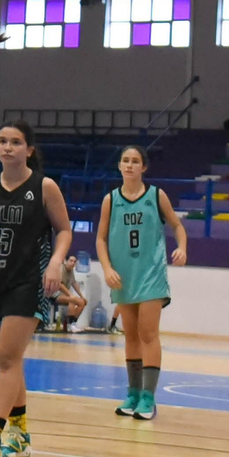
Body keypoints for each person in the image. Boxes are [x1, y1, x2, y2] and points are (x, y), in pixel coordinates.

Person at [0, 121, 73, 457]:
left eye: (15, 142)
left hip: (30, 279)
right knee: (6, 360)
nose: (7, 147)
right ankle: (20, 431)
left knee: (8, 358)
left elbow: (64, 229)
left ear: (29, 150)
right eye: (2, 141)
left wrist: (56, 262)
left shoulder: (44, 186)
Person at [96, 145, 187, 420]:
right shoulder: (110, 200)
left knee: (149, 335)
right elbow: (100, 239)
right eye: (125, 160)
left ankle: (149, 397)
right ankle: (133, 393)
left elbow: (177, 225)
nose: (130, 165)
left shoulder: (156, 195)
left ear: (143, 167)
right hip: (123, 276)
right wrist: (107, 267)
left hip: (150, 275)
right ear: (120, 166)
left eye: (135, 161)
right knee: (131, 336)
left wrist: (182, 247)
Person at [55, 256, 88, 332]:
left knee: (82, 302)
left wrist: (82, 296)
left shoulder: (71, 271)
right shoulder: (61, 268)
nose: (72, 263)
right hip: (55, 294)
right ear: (65, 261)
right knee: (72, 300)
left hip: (64, 295)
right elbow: (60, 284)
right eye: (71, 260)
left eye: (74, 261)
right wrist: (70, 294)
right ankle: (70, 325)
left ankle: (73, 323)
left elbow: (74, 283)